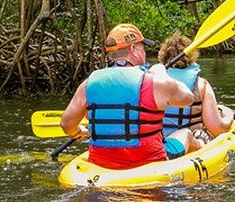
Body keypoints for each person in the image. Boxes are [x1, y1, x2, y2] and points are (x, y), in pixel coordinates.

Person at [59, 24, 196, 170]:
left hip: (101, 165)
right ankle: (203, 149)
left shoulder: (88, 84)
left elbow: (66, 124)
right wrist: (161, 72)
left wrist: (78, 132)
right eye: (143, 48)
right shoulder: (153, 82)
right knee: (185, 133)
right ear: (133, 49)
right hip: (149, 163)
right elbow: (188, 98)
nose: (144, 53)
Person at [156, 34, 234, 154]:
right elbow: (217, 128)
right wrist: (229, 117)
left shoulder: (153, 82)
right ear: (192, 57)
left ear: (163, 57)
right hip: (192, 143)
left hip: (160, 142)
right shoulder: (201, 85)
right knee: (203, 135)